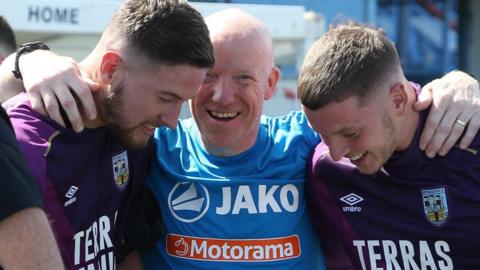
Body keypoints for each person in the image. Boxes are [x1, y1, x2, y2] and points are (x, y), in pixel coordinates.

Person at [4, 9, 480, 270]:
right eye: (207, 76)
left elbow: (383, 111)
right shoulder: (153, 143)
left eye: (244, 79)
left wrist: (460, 85)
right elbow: (100, 96)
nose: (221, 95)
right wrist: (29, 59)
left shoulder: (313, 149)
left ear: (273, 86)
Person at [0, 0, 214, 269]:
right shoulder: (25, 145)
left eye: (182, 101)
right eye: (165, 98)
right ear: (111, 68)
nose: (172, 121)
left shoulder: (133, 135)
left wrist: (28, 57)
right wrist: (27, 58)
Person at [298, 23, 480, 269]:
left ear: (398, 100)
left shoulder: (469, 140)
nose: (337, 151)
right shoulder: (325, 171)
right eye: (321, 134)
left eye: (350, 133)